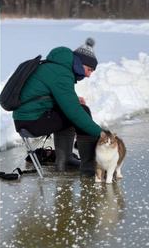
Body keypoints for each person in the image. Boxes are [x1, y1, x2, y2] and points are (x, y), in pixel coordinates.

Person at [13, 38, 105, 175]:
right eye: (89, 69)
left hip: (26, 118)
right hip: (31, 121)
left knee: (71, 112)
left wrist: (72, 100)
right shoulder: (61, 74)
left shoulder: (56, 67)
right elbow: (75, 113)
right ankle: (89, 168)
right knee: (81, 112)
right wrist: (102, 134)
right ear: (80, 63)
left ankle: (64, 161)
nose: (89, 75)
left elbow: (46, 95)